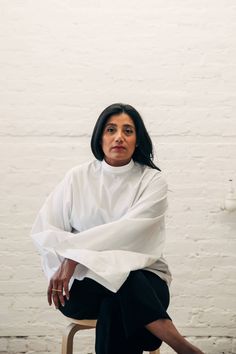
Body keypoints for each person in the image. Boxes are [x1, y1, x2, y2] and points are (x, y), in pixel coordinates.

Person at [31, 103, 204, 354]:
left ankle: (172, 339)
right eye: (111, 129)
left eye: (128, 130)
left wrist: (73, 257)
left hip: (145, 281)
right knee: (120, 282)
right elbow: (46, 230)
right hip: (82, 288)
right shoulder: (77, 177)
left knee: (119, 290)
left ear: (138, 139)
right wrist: (74, 262)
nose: (119, 137)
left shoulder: (152, 181)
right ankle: (175, 340)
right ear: (100, 136)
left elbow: (128, 232)